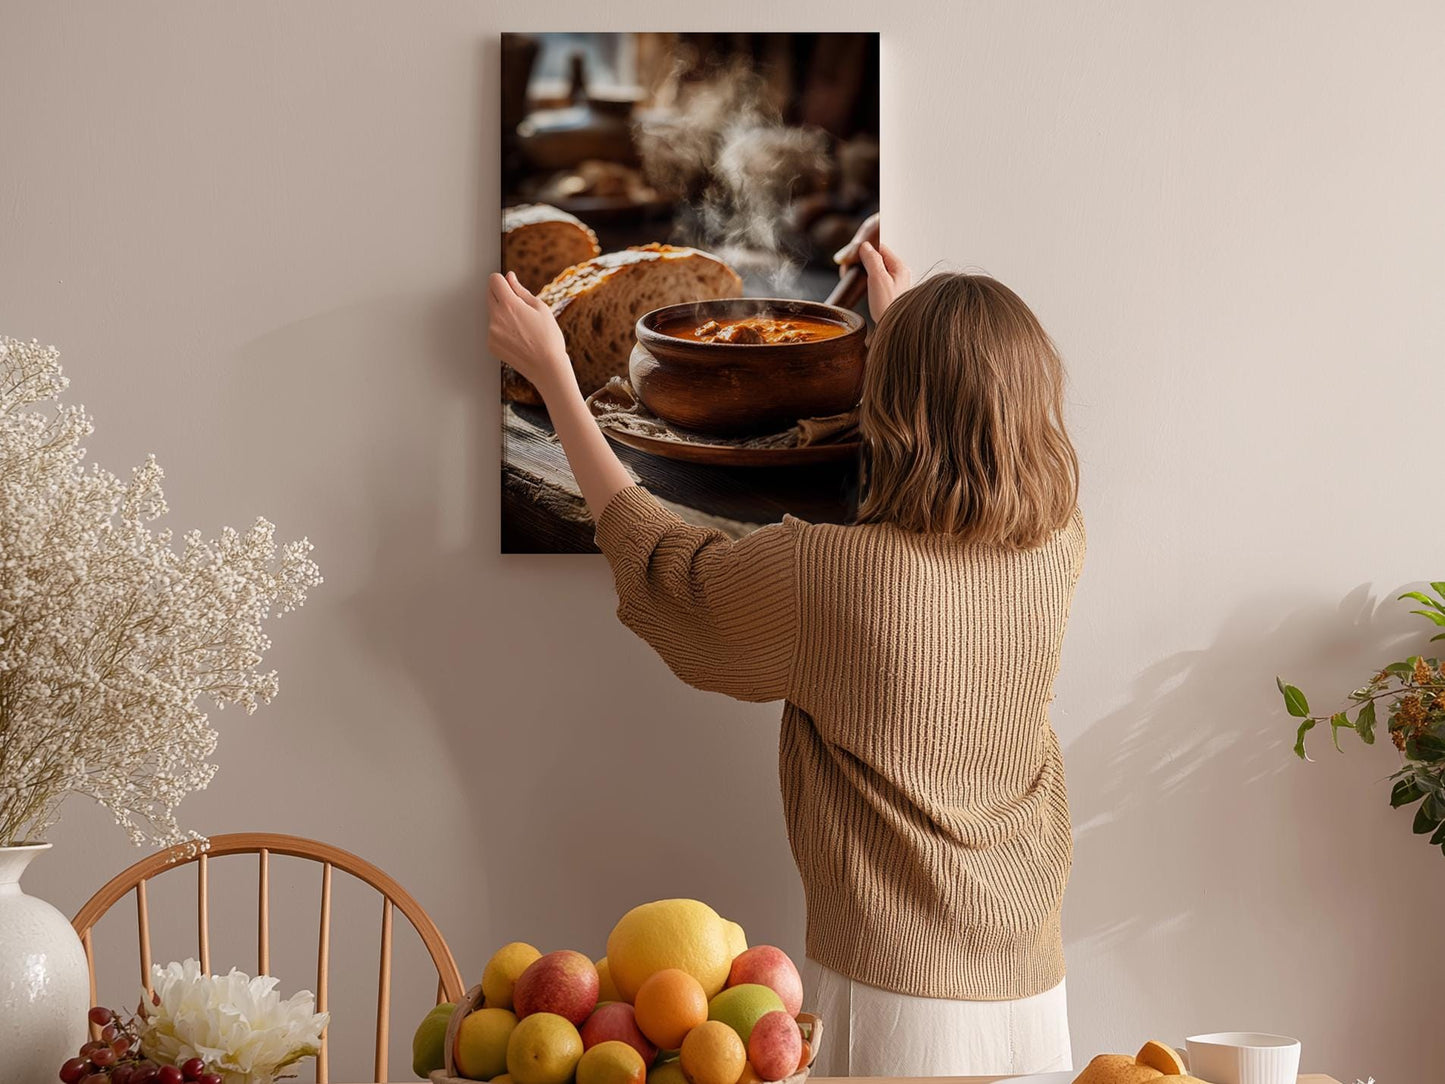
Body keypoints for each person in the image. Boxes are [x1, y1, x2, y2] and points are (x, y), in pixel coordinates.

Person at [487, 227, 1084, 1077]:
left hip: (895, 994)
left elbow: (663, 564)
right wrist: (909, 330)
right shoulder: (1058, 544)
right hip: (1033, 984)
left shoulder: (831, 576)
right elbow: (972, 435)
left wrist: (555, 377)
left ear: (893, 402)